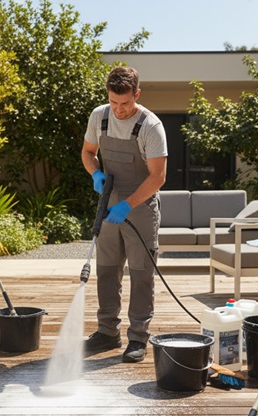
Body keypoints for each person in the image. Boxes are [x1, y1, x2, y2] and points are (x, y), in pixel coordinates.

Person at [81, 66, 167, 363]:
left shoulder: (150, 126)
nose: (118, 110)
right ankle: (107, 332)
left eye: (125, 103)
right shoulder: (99, 116)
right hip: (108, 201)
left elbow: (157, 177)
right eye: (113, 102)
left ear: (137, 95)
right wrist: (95, 173)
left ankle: (138, 337)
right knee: (106, 269)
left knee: (141, 273)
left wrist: (127, 205)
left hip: (140, 205)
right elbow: (88, 152)